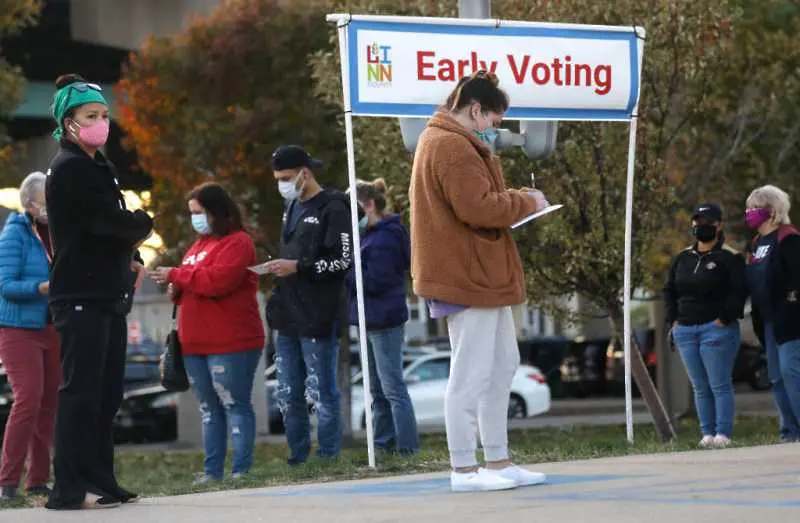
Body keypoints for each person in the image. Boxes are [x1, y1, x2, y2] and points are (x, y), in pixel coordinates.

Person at [408, 71, 549, 492]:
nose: (495, 129)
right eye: (494, 120)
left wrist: (515, 200)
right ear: (475, 110)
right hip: (467, 275)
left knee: (501, 364)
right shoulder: (451, 144)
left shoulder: (450, 140)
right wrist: (527, 201)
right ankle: (464, 469)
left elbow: (476, 204)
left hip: (478, 274)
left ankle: (498, 460)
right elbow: (479, 208)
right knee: (471, 372)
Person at [44, 74, 153, 510]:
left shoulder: (98, 166)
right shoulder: (70, 168)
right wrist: (143, 224)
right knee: (81, 394)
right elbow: (108, 223)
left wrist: (133, 252)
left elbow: (114, 228)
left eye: (104, 115)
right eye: (91, 116)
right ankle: (69, 488)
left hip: (106, 293)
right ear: (68, 122)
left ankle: (102, 480)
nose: (100, 123)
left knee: (106, 396)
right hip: (80, 295)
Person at [150, 182, 265, 483]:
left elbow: (218, 282)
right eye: (192, 213)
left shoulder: (238, 243)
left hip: (231, 341)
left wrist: (177, 275)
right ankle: (212, 471)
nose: (195, 219)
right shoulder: (199, 245)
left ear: (215, 211)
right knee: (208, 408)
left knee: (234, 404)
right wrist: (175, 283)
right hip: (194, 343)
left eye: (198, 212)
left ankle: (241, 470)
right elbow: (189, 283)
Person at [265, 145, 351, 465]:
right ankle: (297, 456)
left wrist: (299, 267)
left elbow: (343, 260)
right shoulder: (291, 207)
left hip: (319, 314)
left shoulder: (333, 207)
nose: (282, 184)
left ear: (306, 172)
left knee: (320, 391)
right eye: (277, 179)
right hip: (287, 313)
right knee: (288, 392)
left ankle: (328, 455)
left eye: (286, 177)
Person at [664, 203, 746, 448]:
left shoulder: (729, 257)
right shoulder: (682, 258)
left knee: (719, 384)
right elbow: (670, 290)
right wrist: (674, 320)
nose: (701, 227)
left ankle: (723, 433)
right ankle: (707, 434)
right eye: (697, 222)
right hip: (686, 330)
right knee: (700, 386)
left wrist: (723, 319)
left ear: (718, 226)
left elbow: (739, 292)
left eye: (707, 222)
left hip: (716, 329)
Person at [347, 178, 419, 455]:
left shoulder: (385, 237)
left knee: (392, 388)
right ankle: (383, 445)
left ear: (368, 205)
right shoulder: (369, 236)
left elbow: (375, 281)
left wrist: (348, 271)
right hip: (370, 318)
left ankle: (406, 448)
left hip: (383, 320)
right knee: (376, 390)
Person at [0, 172, 59, 501]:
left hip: (52, 326)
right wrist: (40, 288)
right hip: (18, 330)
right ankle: (7, 480)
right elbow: (5, 286)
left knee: (49, 403)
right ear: (30, 204)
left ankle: (37, 479)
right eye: (46, 201)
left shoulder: (56, 232)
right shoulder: (15, 234)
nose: (52, 206)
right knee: (29, 398)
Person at [745, 185, 800, 442]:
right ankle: (789, 431)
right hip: (767, 320)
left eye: (754, 208)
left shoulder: (789, 240)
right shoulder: (756, 244)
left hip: (790, 319)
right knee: (776, 378)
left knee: (791, 372)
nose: (749, 213)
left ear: (771, 210)